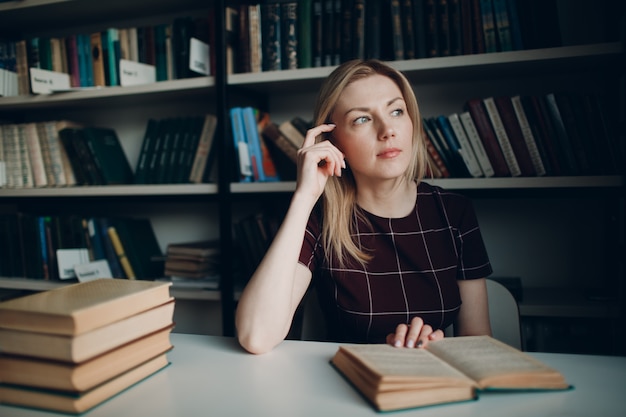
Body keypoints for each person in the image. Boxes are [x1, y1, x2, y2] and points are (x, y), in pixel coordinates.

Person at [236, 59, 493, 355]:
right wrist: (304, 196)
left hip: (435, 386)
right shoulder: (320, 218)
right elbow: (256, 336)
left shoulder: (454, 212)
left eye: (396, 111)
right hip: (344, 388)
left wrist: (437, 350)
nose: (387, 131)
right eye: (362, 119)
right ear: (332, 141)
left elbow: (477, 342)